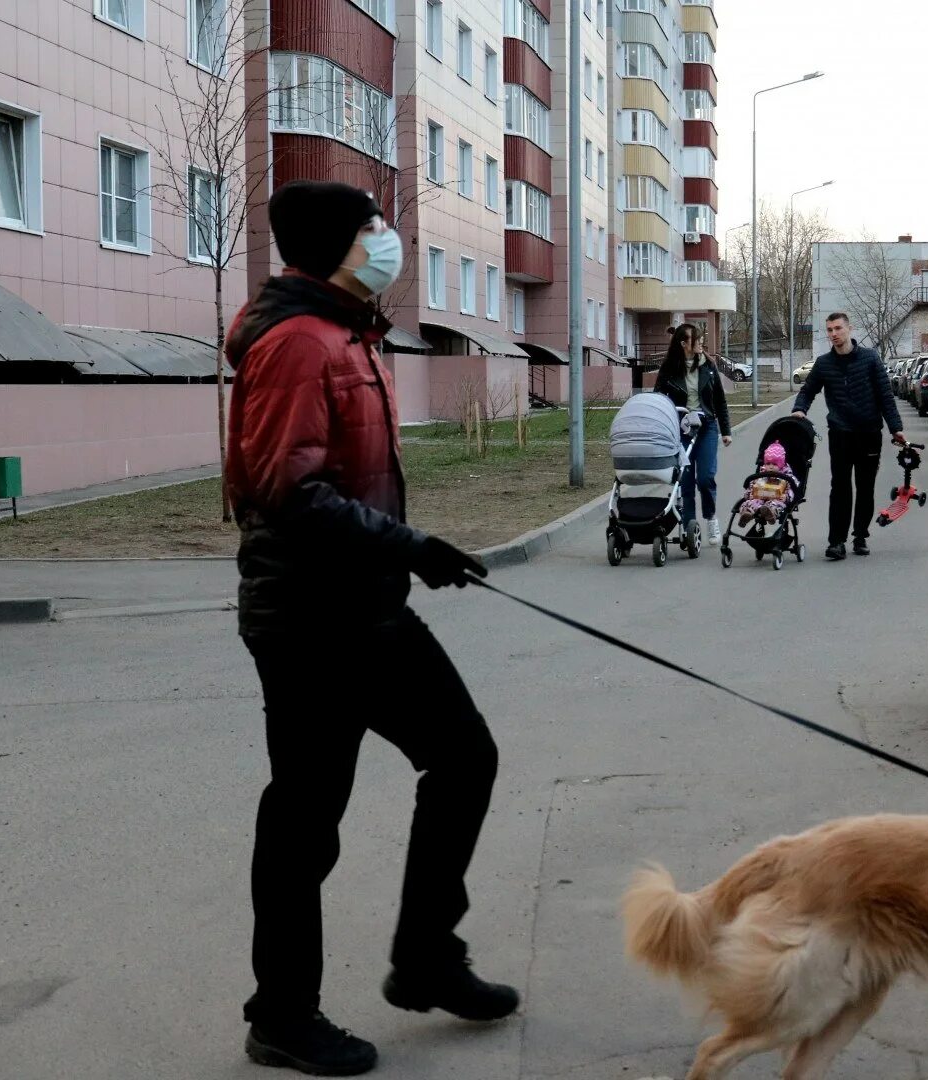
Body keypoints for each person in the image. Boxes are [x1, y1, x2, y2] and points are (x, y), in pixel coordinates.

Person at [224, 180, 517, 1077]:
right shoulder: (298, 344)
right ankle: (281, 1015)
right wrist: (411, 543)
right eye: (373, 227)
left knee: (464, 755)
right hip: (310, 622)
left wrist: (402, 555)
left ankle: (425, 955)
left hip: (367, 608)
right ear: (336, 246)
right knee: (306, 824)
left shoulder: (350, 332)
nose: (387, 238)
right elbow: (287, 493)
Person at [790, 312, 907, 559]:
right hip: (840, 434)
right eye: (830, 330)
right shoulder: (823, 364)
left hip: (869, 433)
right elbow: (808, 390)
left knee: (865, 487)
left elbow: (886, 396)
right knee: (840, 486)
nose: (834, 334)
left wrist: (896, 428)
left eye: (838, 328)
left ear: (849, 329)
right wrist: (799, 410)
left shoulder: (870, 359)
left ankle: (860, 536)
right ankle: (836, 542)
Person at [652, 323, 731, 540]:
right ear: (683, 343)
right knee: (685, 480)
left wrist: (726, 430)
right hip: (681, 429)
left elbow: (720, 400)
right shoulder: (669, 368)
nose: (700, 342)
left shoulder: (709, 365)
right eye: (695, 338)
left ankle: (711, 517)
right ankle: (689, 529)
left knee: (705, 478)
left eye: (700, 337)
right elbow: (657, 399)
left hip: (706, 427)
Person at [737, 440, 799, 527]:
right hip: (759, 497)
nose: (770, 466)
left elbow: (793, 487)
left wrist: (786, 496)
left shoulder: (787, 476)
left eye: (774, 464)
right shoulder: (762, 473)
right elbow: (752, 484)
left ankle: (770, 513)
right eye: (768, 463)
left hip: (776, 498)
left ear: (781, 464)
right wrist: (749, 493)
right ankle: (746, 514)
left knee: (776, 504)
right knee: (750, 502)